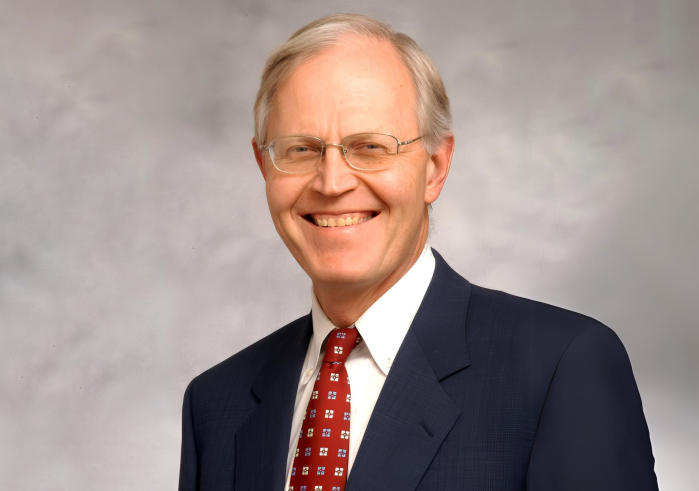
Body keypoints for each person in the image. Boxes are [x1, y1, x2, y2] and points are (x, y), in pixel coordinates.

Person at [178, 14, 658, 491]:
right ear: (265, 166)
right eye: (301, 150)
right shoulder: (216, 405)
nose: (332, 183)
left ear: (435, 168)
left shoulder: (560, 368)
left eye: (370, 147)